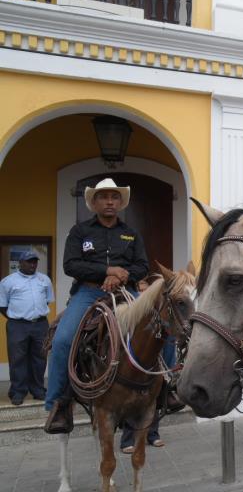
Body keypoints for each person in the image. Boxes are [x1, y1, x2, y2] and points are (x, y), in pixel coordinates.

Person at [44, 178, 149, 433]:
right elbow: (71, 265)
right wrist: (107, 270)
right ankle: (59, 403)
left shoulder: (131, 234)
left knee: (158, 328)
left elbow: (142, 266)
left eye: (114, 197)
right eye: (104, 197)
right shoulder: (79, 232)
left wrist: (122, 275)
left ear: (120, 202)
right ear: (94, 202)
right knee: (63, 340)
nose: (110, 201)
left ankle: (167, 388)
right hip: (88, 293)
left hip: (127, 292)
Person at [120, 274, 175, 453]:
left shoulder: (157, 311)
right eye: (140, 291)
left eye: (145, 291)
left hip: (156, 363)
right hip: (135, 362)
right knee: (132, 399)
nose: (142, 294)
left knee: (155, 399)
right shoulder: (135, 311)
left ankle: (153, 434)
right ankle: (128, 438)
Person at [0, 250, 53, 405]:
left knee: (40, 358)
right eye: (29, 261)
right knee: (17, 359)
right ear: (20, 263)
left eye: (35, 261)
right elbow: (2, 306)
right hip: (17, 325)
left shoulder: (45, 280)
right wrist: (17, 316)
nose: (33, 264)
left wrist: (34, 314)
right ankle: (17, 391)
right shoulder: (7, 282)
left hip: (41, 324)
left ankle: (37, 390)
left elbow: (47, 301)